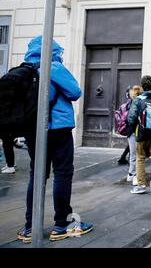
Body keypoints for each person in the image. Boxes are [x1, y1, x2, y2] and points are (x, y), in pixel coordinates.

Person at [17, 36, 93, 244]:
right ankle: (62, 224)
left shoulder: (25, 68)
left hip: (32, 129)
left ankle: (30, 227)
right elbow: (75, 92)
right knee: (62, 173)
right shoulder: (52, 66)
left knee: (37, 174)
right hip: (57, 127)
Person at [127, 76, 151, 195]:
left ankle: (141, 185)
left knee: (140, 158)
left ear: (143, 86)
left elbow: (131, 118)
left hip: (142, 133)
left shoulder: (138, 100)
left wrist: (135, 129)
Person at [125, 85, 143, 185]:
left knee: (133, 154)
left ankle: (131, 174)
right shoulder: (139, 102)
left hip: (131, 131)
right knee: (137, 154)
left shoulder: (129, 103)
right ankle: (134, 174)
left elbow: (129, 119)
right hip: (136, 131)